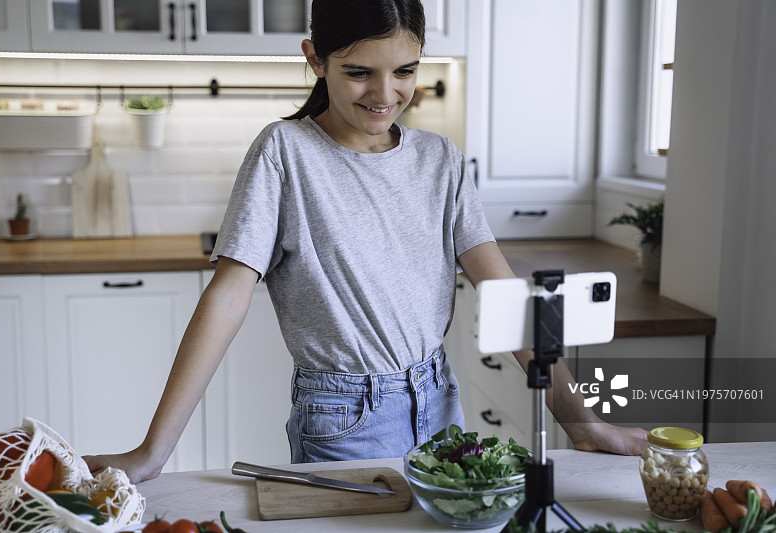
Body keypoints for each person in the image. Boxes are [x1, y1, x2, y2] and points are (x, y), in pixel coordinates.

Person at [85, 0, 647, 484]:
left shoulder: (441, 161)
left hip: (439, 401)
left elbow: (502, 290)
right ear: (315, 59)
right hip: (342, 416)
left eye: (405, 70)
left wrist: (582, 421)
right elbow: (227, 296)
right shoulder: (285, 152)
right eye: (359, 72)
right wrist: (152, 452)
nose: (385, 94)